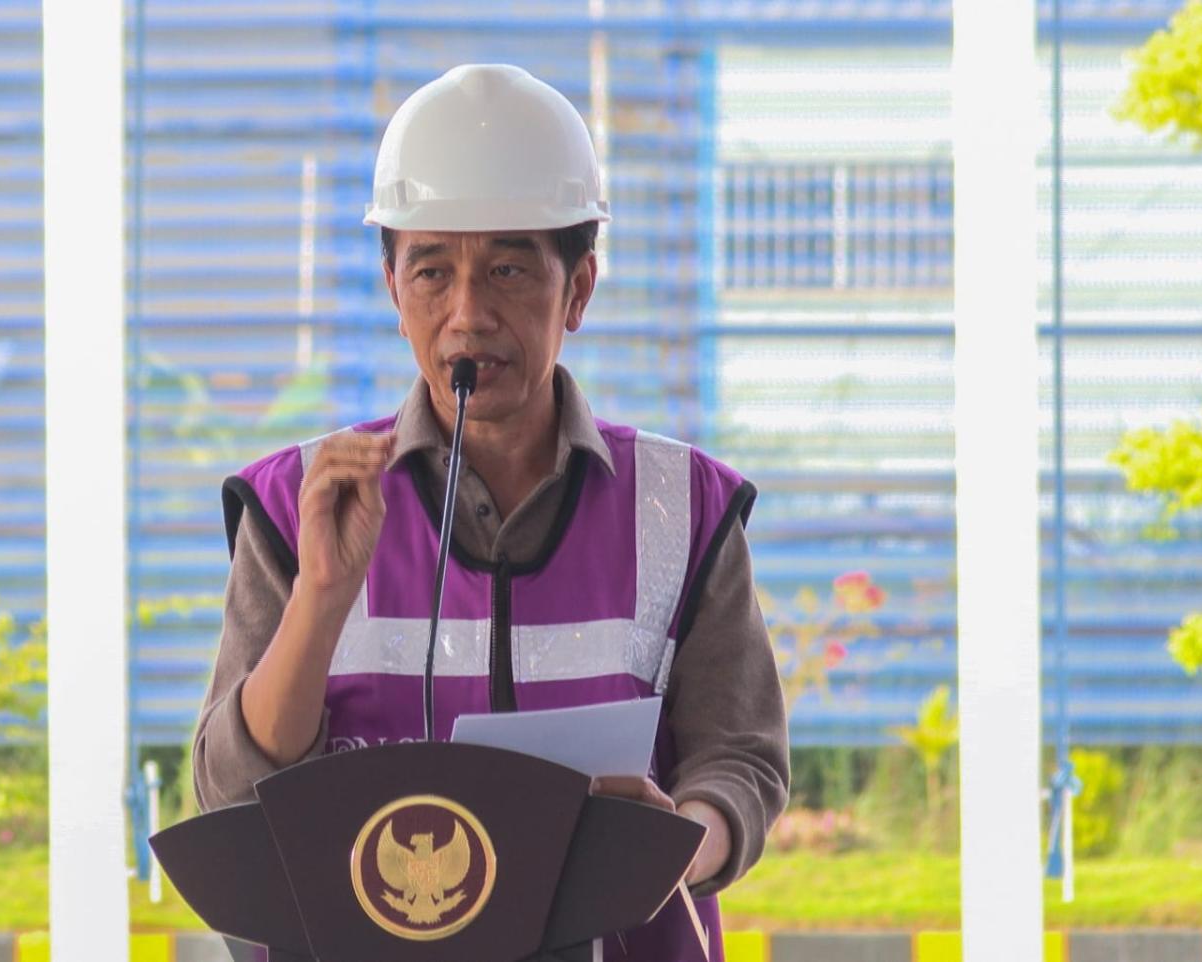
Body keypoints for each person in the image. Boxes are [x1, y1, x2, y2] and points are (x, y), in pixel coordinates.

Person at [192, 63, 788, 962]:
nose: (467, 316)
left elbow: (741, 762)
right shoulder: (297, 504)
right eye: (432, 271)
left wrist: (679, 842)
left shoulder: (686, 506)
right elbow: (231, 792)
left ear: (578, 290)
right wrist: (321, 594)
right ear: (394, 292)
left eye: (509, 269)